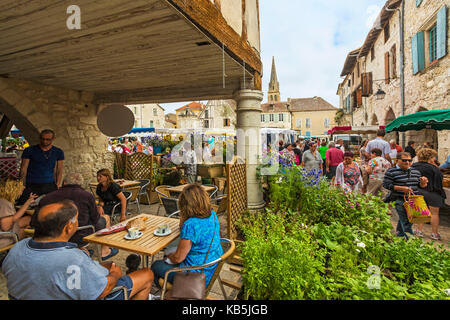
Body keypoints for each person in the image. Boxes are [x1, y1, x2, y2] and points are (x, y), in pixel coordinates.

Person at [2, 200, 153, 300]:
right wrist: (114, 275)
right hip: (99, 289)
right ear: (68, 227)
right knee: (146, 274)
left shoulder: (17, 249)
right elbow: (103, 290)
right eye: (76, 219)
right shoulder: (72, 259)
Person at [151, 184, 223, 289]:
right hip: (210, 268)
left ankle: (174, 292)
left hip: (194, 277)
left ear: (185, 204)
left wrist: (170, 256)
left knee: (156, 265)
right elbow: (181, 227)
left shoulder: (191, 225)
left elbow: (178, 258)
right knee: (168, 256)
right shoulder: (213, 215)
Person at [37, 172, 118, 260]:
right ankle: (105, 251)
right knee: (106, 218)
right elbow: (95, 218)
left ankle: (81, 250)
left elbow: (35, 222)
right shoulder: (87, 196)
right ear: (80, 184)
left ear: (64, 183)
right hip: (81, 235)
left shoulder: (48, 197)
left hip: (52, 236)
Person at [383, 152, 428, 240]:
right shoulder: (391, 171)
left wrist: (423, 182)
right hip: (399, 199)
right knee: (406, 222)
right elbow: (386, 185)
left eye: (409, 160)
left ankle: (399, 237)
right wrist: (401, 188)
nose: (407, 162)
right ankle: (411, 241)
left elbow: (421, 186)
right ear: (397, 161)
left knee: (407, 220)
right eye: (404, 160)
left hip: (413, 201)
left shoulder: (416, 172)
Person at [17, 129, 64, 205]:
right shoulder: (29, 150)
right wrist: (21, 184)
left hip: (49, 184)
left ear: (53, 139)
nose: (45, 141)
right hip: (32, 183)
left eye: (48, 139)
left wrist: (58, 184)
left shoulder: (58, 151)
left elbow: (59, 169)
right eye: (43, 139)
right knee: (24, 205)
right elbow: (23, 169)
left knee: (51, 207)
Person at [411, 148, 446, 240]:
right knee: (434, 213)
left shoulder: (414, 166)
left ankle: (419, 230)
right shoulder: (435, 169)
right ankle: (434, 233)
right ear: (430, 157)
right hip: (433, 192)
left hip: (419, 191)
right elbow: (439, 181)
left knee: (422, 211)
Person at [0, 179, 37, 248]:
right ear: (12, 189)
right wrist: (22, 230)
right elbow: (6, 227)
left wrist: (28, 202)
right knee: (29, 235)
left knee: (28, 219)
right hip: (5, 239)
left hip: (5, 234)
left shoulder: (3, 201)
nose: (24, 187)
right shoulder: (5, 204)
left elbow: (11, 219)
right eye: (20, 186)